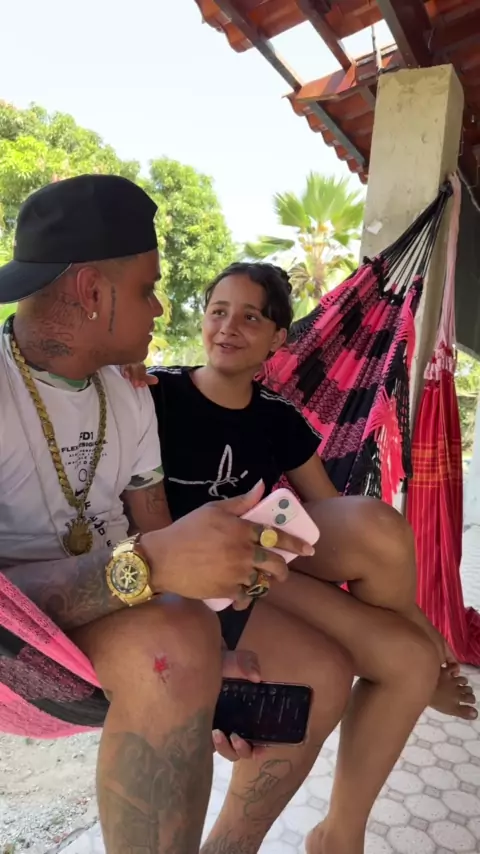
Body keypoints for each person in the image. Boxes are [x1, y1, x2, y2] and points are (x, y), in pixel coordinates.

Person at [0, 176, 355, 854]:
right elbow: (10, 618)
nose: (162, 308)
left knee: (320, 672)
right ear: (92, 291)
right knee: (174, 651)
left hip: (139, 608)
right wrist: (149, 569)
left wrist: (209, 650)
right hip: (31, 646)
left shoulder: (130, 394)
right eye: (146, 289)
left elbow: (155, 531)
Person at [126, 260, 476, 854]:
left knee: (379, 531)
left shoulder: (277, 416)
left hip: (263, 564)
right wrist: (118, 375)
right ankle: (426, 649)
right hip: (197, 580)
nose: (228, 327)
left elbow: (331, 513)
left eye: (250, 317)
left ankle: (339, 835)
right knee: (411, 662)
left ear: (277, 338)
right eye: (218, 312)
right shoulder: (157, 395)